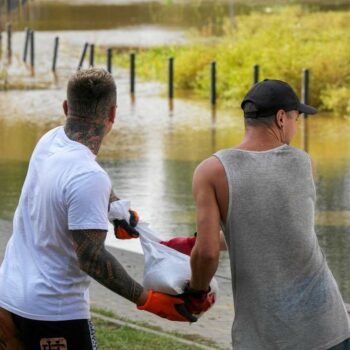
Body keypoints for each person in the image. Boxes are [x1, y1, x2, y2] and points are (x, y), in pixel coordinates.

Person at [0, 68, 211, 349]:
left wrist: (117, 210)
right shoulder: (89, 176)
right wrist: (147, 299)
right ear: (113, 114)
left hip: (8, 297)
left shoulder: (50, 140)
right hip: (53, 313)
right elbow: (91, 258)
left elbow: (77, 184)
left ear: (66, 108)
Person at [189, 79, 350, 349]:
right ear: (280, 118)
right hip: (328, 327)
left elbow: (206, 255)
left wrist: (196, 292)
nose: (296, 128)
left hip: (266, 335)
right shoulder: (304, 163)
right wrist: (201, 243)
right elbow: (279, 230)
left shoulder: (212, 171)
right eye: (296, 118)